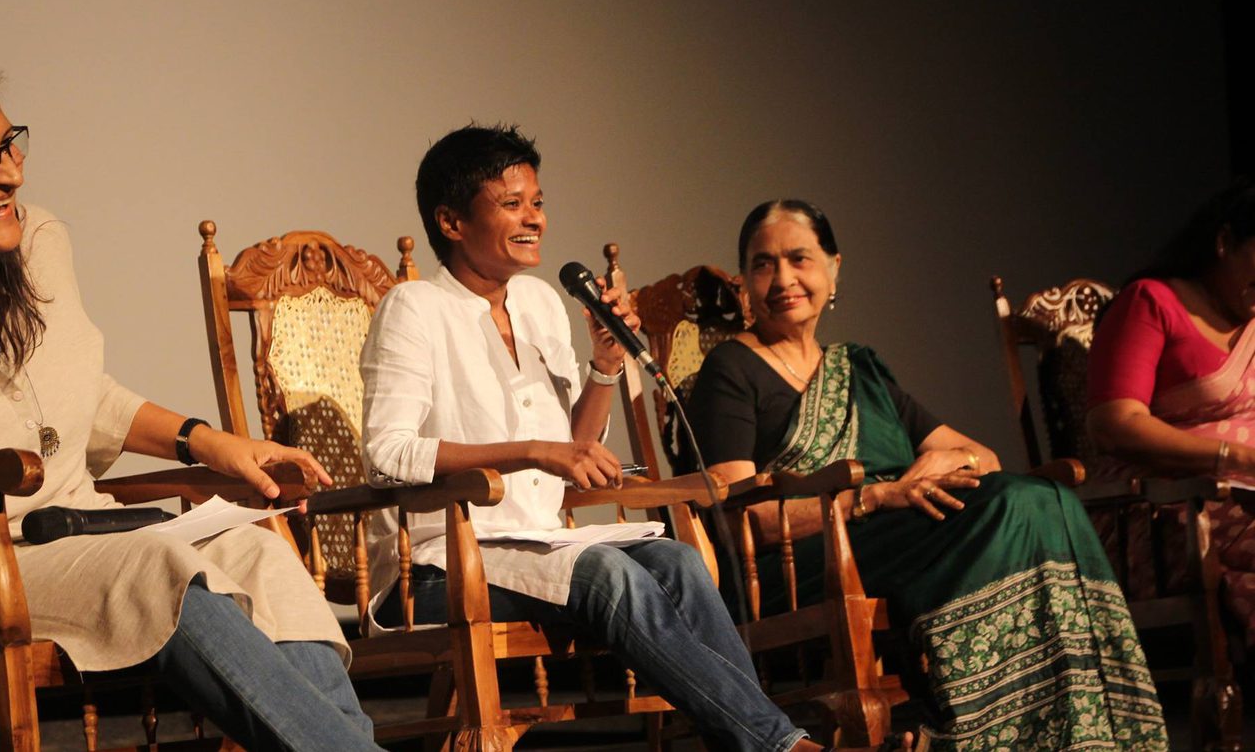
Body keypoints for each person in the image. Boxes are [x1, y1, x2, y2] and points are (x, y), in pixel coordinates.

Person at [0, 46, 379, 751]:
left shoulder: (39, 243)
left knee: (258, 552)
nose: (11, 170)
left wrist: (211, 441)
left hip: (89, 530)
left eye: (10, 144)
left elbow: (81, 392)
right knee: (154, 567)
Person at [361, 125, 892, 751]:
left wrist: (606, 364)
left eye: (537, 201)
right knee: (611, 575)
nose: (535, 218)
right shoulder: (413, 308)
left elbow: (572, 451)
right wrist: (531, 450)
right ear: (451, 221)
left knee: (677, 561)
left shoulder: (537, 304)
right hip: (438, 563)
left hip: (537, 545)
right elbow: (386, 457)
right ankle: (781, 746)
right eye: (513, 204)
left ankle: (758, 741)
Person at [683, 199, 1168, 751]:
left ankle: (1079, 730)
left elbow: (980, 455)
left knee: (1042, 496)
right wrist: (877, 497)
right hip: (804, 563)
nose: (783, 278)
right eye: (763, 264)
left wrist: (939, 465)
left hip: (899, 540)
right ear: (745, 279)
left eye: (799, 259)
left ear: (834, 267)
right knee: (1012, 503)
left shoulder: (857, 368)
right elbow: (743, 521)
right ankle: (973, 726)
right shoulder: (732, 369)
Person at [1087, 178, 1255, 644]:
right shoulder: (1151, 302)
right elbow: (1113, 425)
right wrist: (1237, 460)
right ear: (1224, 242)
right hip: (1160, 511)